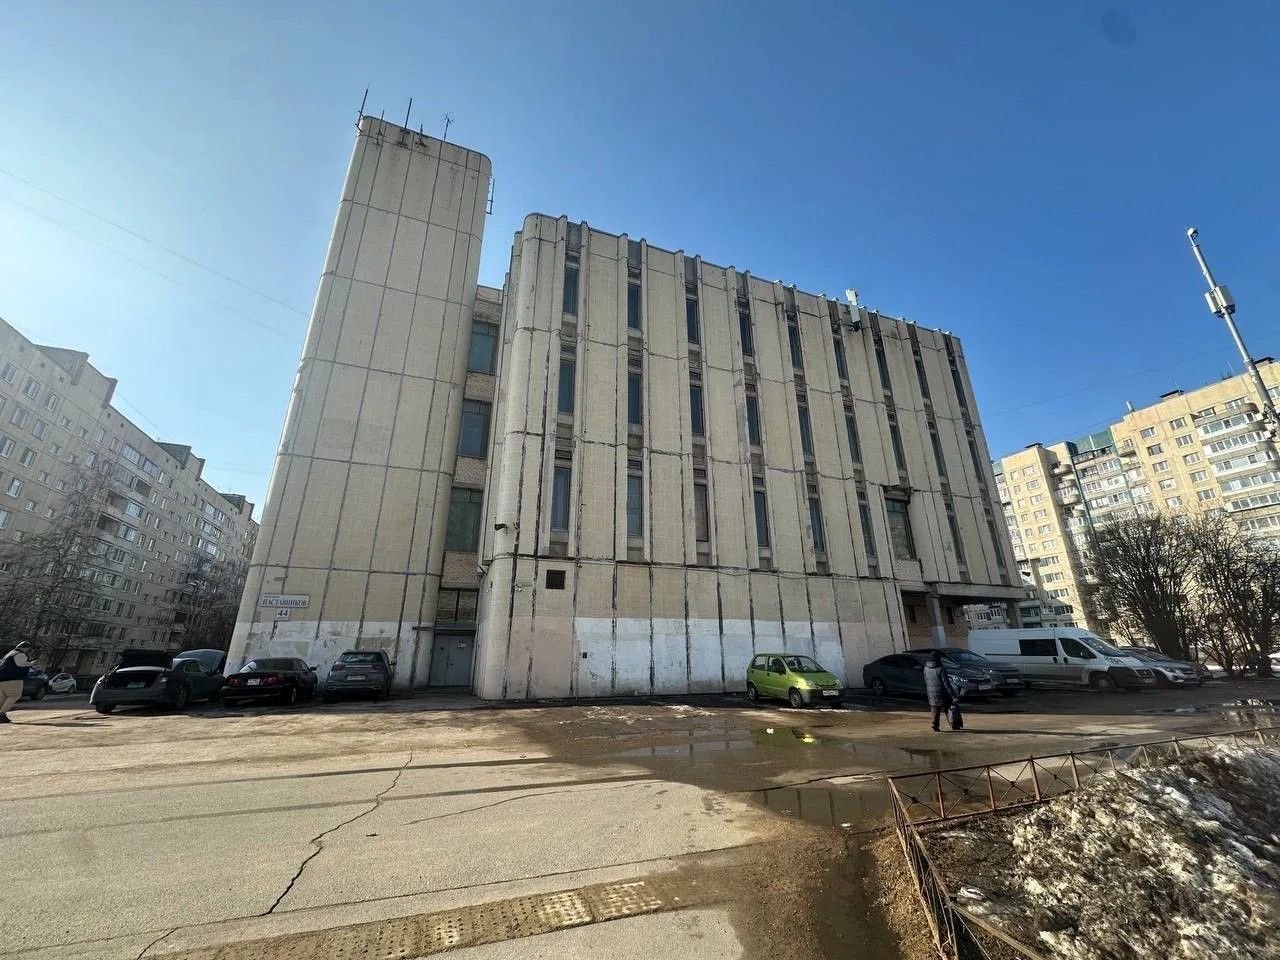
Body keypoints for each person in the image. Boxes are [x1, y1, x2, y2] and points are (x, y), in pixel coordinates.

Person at [923, 650, 957, 732]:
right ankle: (952, 724)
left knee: (934, 708)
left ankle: (934, 724)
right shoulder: (941, 668)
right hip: (942, 692)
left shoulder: (926, 668)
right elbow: (947, 684)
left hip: (931, 693)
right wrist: (953, 695)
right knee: (948, 708)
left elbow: (926, 680)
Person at [0, 642, 34, 723]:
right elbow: (20, 663)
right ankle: (1, 714)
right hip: (14, 679)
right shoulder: (20, 654)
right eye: (29, 649)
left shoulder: (9, 654)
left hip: (2, 679)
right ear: (26, 648)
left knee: (3, 697)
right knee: (14, 695)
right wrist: (31, 663)